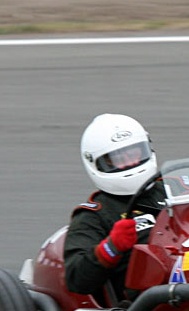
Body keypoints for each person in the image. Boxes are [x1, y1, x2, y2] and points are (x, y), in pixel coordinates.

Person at [64, 113, 167, 296]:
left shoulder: (173, 186)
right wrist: (111, 247)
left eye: (134, 153)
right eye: (118, 159)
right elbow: (76, 279)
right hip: (150, 299)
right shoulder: (93, 215)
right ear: (97, 163)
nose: (131, 162)